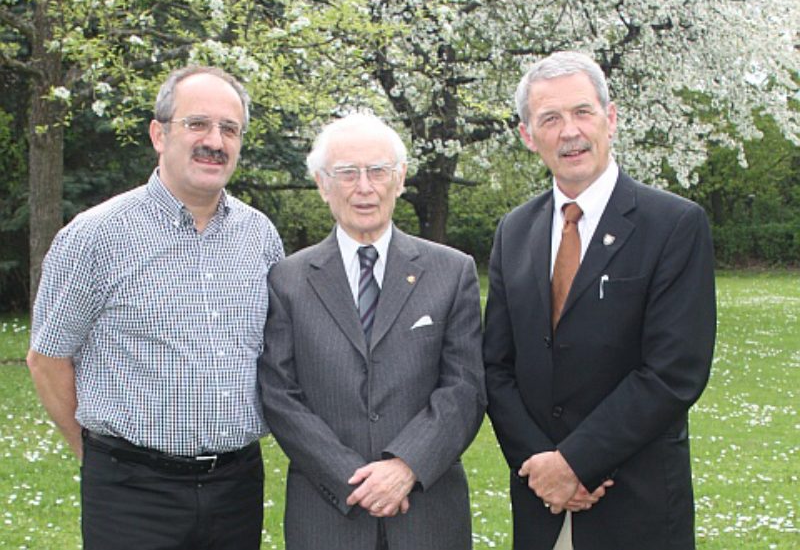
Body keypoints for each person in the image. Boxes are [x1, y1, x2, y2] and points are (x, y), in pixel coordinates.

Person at [26, 65, 284, 550]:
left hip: (237, 485)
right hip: (131, 492)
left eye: (230, 129)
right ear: (158, 134)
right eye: (198, 124)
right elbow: (47, 359)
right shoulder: (94, 236)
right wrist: (92, 451)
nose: (215, 140)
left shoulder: (260, 237)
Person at [482, 51, 716, 550]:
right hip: (540, 506)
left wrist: (577, 463)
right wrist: (542, 468)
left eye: (582, 112)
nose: (570, 131)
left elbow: (675, 371)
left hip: (637, 507)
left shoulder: (673, 225)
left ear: (610, 119)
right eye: (550, 118)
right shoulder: (514, 232)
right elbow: (497, 367)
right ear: (528, 136)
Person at [258, 112, 486, 550]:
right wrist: (356, 480)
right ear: (323, 185)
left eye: (378, 171)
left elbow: (464, 387)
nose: (365, 187)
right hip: (327, 516)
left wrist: (405, 467)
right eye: (347, 173)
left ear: (399, 179)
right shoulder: (287, 279)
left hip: (427, 512)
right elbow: (280, 396)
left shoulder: (451, 271)